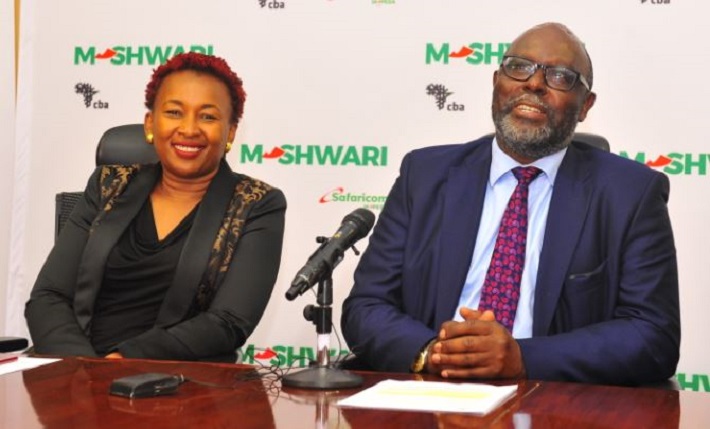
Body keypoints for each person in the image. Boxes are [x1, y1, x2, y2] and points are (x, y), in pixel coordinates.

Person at [341, 23, 680, 385]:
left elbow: (653, 335)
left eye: (560, 76)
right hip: (432, 386)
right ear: (496, 83)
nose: (534, 84)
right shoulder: (423, 176)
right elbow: (366, 306)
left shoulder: (630, 193)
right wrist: (434, 353)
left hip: (552, 398)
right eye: (519, 67)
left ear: (585, 106)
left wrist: (522, 358)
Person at [25, 52, 287, 362]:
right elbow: (48, 298)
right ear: (150, 123)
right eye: (174, 112)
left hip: (180, 379)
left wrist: (123, 362)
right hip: (79, 370)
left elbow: (228, 321)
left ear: (230, 132)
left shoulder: (257, 204)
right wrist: (86, 371)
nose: (189, 129)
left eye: (207, 116)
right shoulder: (108, 185)